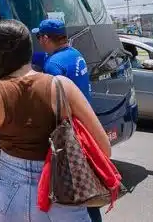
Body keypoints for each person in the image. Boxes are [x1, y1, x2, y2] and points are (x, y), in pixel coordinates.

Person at [0, 20, 111, 222]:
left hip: (7, 189)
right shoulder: (62, 87)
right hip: (62, 187)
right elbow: (104, 149)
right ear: (30, 49)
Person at [32, 19, 101, 222]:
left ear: (45, 38)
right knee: (87, 183)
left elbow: (55, 105)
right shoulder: (74, 54)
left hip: (70, 131)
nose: (38, 42)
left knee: (76, 184)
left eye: (39, 37)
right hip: (85, 125)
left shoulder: (53, 65)